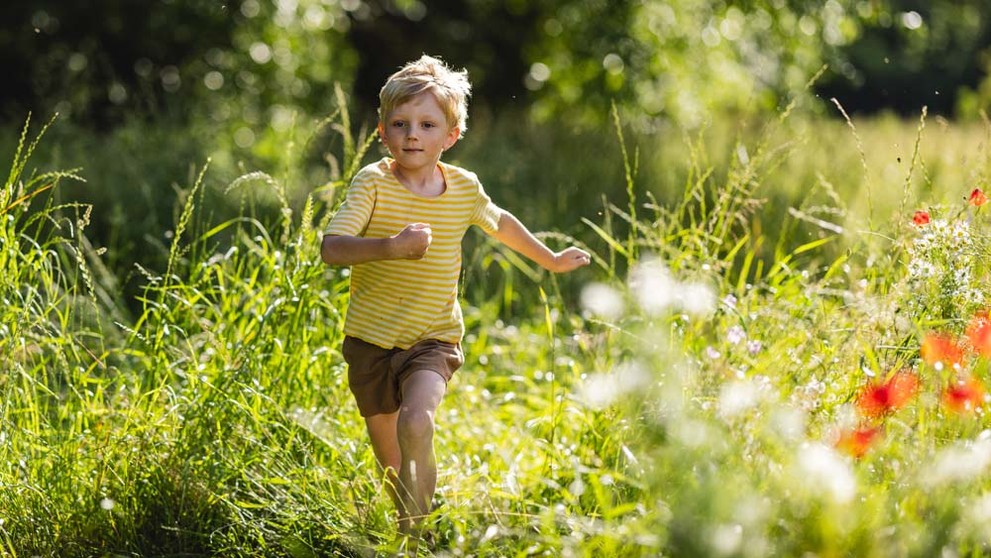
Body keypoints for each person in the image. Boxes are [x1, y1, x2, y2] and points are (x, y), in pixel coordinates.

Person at [320, 54, 590, 543]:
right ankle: (409, 522)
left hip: (433, 338)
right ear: (382, 132)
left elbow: (500, 222)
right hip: (370, 342)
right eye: (400, 124)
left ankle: (416, 541)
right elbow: (332, 248)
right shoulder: (373, 183)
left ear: (451, 135)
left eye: (427, 125)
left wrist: (550, 259)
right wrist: (391, 247)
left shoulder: (463, 188)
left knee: (416, 422)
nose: (412, 135)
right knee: (392, 462)